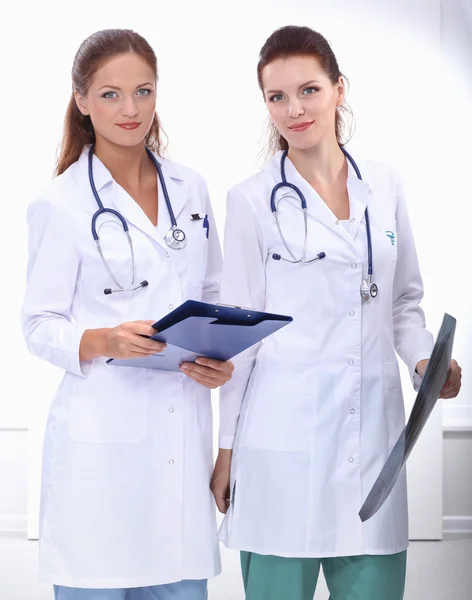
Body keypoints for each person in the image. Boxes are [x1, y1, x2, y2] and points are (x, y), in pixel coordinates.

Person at [210, 25, 462, 600]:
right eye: (277, 97)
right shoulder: (250, 200)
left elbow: (403, 302)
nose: (294, 109)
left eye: (309, 90)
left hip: (372, 444)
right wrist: (226, 453)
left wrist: (426, 360)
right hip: (280, 446)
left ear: (338, 89)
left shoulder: (386, 183)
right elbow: (239, 335)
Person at [21, 28, 233, 600]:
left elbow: (211, 293)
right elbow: (38, 325)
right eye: (110, 94)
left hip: (181, 439)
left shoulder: (191, 187)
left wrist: (218, 358)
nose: (130, 108)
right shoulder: (59, 203)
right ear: (82, 101)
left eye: (143, 91)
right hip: (102, 454)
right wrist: (105, 339)